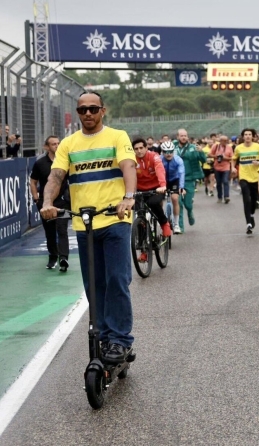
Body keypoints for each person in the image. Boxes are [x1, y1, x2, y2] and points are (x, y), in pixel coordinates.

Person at [39, 91, 136, 362]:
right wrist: (47, 201)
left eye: (93, 109)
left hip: (116, 219)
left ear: (102, 110)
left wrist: (128, 197)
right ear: (78, 113)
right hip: (85, 224)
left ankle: (120, 339)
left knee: (117, 280)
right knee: (94, 285)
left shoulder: (118, 136)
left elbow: (129, 167)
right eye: (83, 110)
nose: (88, 114)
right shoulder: (68, 144)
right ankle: (104, 336)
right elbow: (56, 176)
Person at [30, 136, 70, 271]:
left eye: (59, 143)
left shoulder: (66, 163)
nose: (57, 146)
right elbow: (33, 181)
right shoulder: (40, 163)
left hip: (62, 203)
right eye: (53, 144)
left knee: (62, 229)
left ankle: (63, 258)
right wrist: (36, 199)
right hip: (45, 203)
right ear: (46, 147)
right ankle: (53, 256)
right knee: (50, 232)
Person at [132, 138, 172, 244]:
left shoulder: (154, 156)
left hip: (156, 189)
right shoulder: (132, 160)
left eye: (141, 148)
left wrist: (163, 185)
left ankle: (164, 224)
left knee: (153, 203)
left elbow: (160, 169)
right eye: (136, 149)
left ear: (146, 148)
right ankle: (143, 248)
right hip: (140, 190)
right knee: (139, 214)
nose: (139, 151)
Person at [232, 128, 259, 234]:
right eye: (245, 134)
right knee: (246, 199)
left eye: (249, 134)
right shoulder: (238, 148)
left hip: (256, 177)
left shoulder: (258, 147)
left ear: (253, 136)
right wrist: (233, 168)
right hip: (244, 177)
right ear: (243, 137)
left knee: (253, 200)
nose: (247, 136)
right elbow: (234, 159)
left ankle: (251, 214)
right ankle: (248, 223)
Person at [174, 128, 206, 231]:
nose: (184, 137)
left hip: (189, 179)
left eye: (185, 136)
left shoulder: (193, 148)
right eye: (182, 136)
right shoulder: (173, 148)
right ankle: (180, 227)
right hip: (177, 179)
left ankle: (190, 212)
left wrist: (201, 152)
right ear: (178, 137)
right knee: (178, 202)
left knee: (187, 203)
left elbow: (203, 160)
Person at [160, 142, 185, 234]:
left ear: (173, 151)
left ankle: (176, 224)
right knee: (159, 201)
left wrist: (181, 187)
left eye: (170, 151)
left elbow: (181, 174)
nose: (168, 154)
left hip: (174, 180)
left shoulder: (178, 160)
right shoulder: (159, 159)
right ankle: (161, 219)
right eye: (166, 152)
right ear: (162, 152)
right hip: (162, 181)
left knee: (175, 198)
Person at [210, 135, 236, 203]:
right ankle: (219, 197)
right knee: (218, 183)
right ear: (220, 141)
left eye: (226, 141)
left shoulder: (229, 147)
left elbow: (232, 157)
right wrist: (217, 156)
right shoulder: (215, 146)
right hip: (217, 167)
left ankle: (226, 196)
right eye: (223, 141)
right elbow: (209, 154)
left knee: (225, 181)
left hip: (226, 167)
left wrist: (224, 158)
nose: (225, 142)